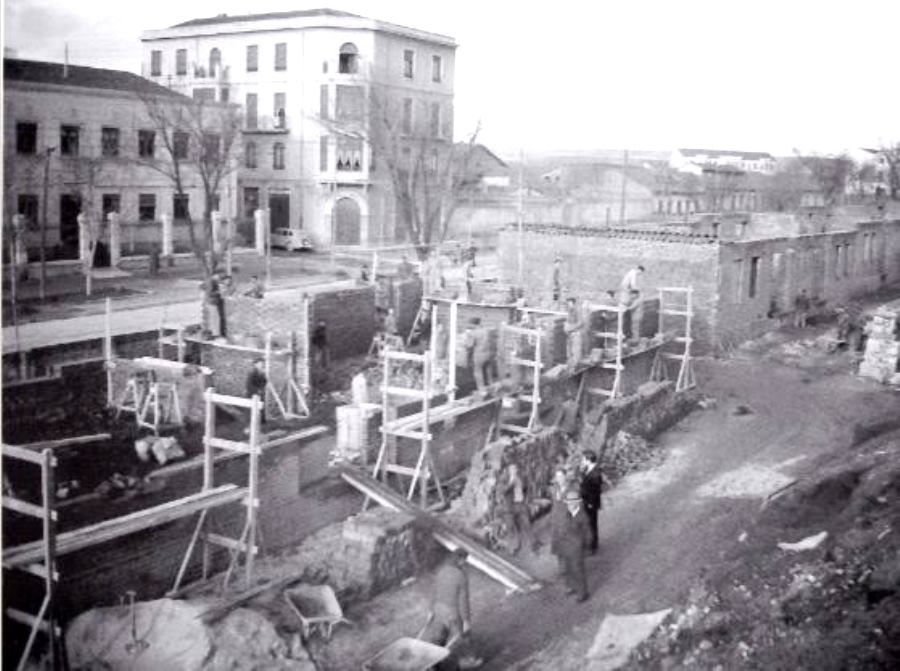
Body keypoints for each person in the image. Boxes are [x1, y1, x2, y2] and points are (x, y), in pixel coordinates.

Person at [422, 549, 483, 669]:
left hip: (438, 610)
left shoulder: (441, 571)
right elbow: (463, 600)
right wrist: (466, 621)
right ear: (460, 560)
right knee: (463, 637)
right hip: (452, 613)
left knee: (439, 639)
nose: (465, 563)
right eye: (464, 560)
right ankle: (468, 661)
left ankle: (433, 665)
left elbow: (434, 591)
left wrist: (430, 611)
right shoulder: (461, 576)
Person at [551, 489, 591, 602]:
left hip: (576, 548)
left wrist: (585, 545)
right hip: (565, 546)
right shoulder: (564, 513)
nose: (570, 504)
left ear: (577, 502)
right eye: (568, 502)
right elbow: (558, 528)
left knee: (578, 570)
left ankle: (583, 593)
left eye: (572, 502)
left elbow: (588, 533)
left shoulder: (582, 516)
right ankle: (573, 586)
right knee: (568, 569)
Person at [498, 459, 533, 556]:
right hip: (510, 507)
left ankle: (531, 548)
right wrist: (511, 483)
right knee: (512, 529)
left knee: (527, 525)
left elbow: (526, 488)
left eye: (515, 468)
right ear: (508, 469)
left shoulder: (520, 477)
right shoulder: (504, 479)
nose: (514, 470)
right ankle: (513, 548)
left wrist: (525, 500)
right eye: (512, 468)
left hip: (521, 505)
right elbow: (503, 492)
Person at [579, 450, 603, 555]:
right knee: (588, 523)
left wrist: (591, 503)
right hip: (587, 501)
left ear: (588, 460)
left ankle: (593, 547)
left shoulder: (595, 474)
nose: (582, 461)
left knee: (592, 524)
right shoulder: (589, 470)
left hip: (591, 503)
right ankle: (591, 544)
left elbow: (596, 491)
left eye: (583, 459)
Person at [245, 357, 267, 425]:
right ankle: (250, 425)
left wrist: (262, 389)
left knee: (260, 408)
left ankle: (261, 423)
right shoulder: (252, 373)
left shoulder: (262, 372)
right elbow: (248, 385)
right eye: (260, 363)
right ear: (256, 364)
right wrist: (257, 390)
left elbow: (265, 381)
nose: (262, 365)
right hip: (252, 394)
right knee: (252, 410)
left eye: (263, 363)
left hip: (260, 394)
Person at [564, 297, 584, 366]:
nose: (568, 305)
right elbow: (567, 321)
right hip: (569, 335)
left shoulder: (578, 311)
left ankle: (575, 367)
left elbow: (580, 323)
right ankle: (570, 366)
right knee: (569, 353)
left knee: (576, 353)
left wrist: (570, 328)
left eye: (569, 303)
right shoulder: (569, 312)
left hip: (576, 334)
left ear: (573, 303)